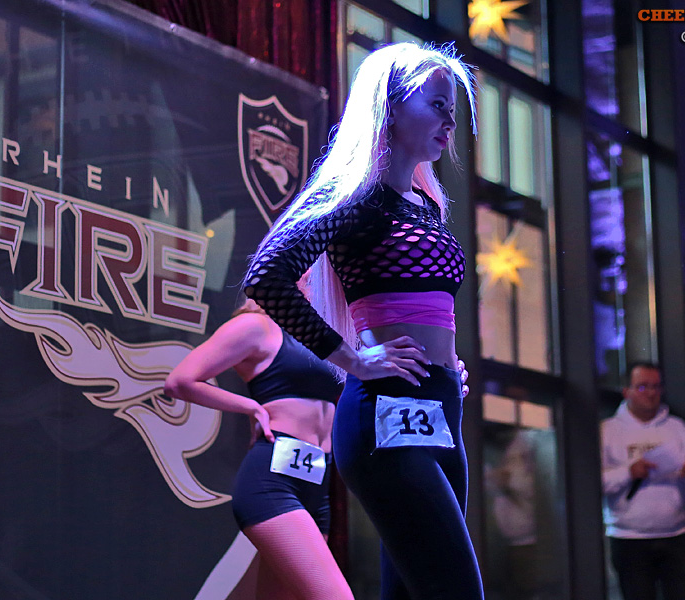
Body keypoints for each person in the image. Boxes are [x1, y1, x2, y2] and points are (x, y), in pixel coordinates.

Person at [242, 41, 483, 599]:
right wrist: (351, 358)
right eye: (438, 105)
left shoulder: (425, 205)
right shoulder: (355, 198)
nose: (450, 122)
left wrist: (447, 364)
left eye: (452, 109)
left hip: (440, 408)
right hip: (386, 412)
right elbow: (267, 276)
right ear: (390, 107)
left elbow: (423, 305)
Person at [164, 299, 354, 600]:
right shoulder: (256, 326)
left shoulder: (323, 335)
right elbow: (179, 381)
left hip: (317, 483)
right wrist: (250, 407)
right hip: (273, 482)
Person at [601, 362, 685, 600]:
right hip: (629, 538)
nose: (651, 393)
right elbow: (594, 482)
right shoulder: (608, 431)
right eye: (642, 387)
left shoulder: (676, 428)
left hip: (675, 535)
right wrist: (629, 472)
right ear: (626, 391)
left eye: (656, 387)